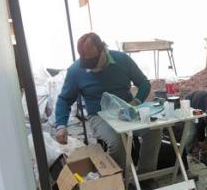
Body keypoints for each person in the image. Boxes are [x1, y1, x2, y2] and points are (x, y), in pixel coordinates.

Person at [55, 32, 162, 174]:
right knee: (118, 141)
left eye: (93, 63)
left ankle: (146, 175)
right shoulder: (76, 71)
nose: (90, 68)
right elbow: (65, 99)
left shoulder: (122, 60)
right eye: (87, 64)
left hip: (127, 110)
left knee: (155, 130)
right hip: (99, 115)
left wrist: (135, 102)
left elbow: (143, 83)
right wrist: (61, 125)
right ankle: (120, 181)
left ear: (103, 50)